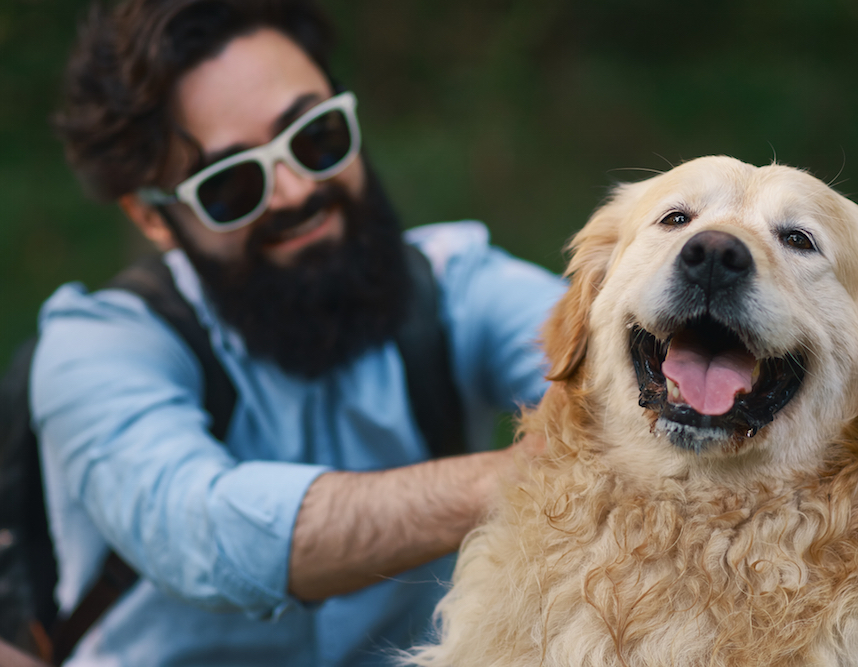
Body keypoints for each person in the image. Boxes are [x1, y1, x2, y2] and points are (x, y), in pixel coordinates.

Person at [31, 0, 564, 664]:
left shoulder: (458, 288)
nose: (296, 189)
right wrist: (516, 478)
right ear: (153, 218)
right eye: (231, 184)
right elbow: (201, 530)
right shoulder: (98, 347)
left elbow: (614, 368)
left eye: (316, 137)